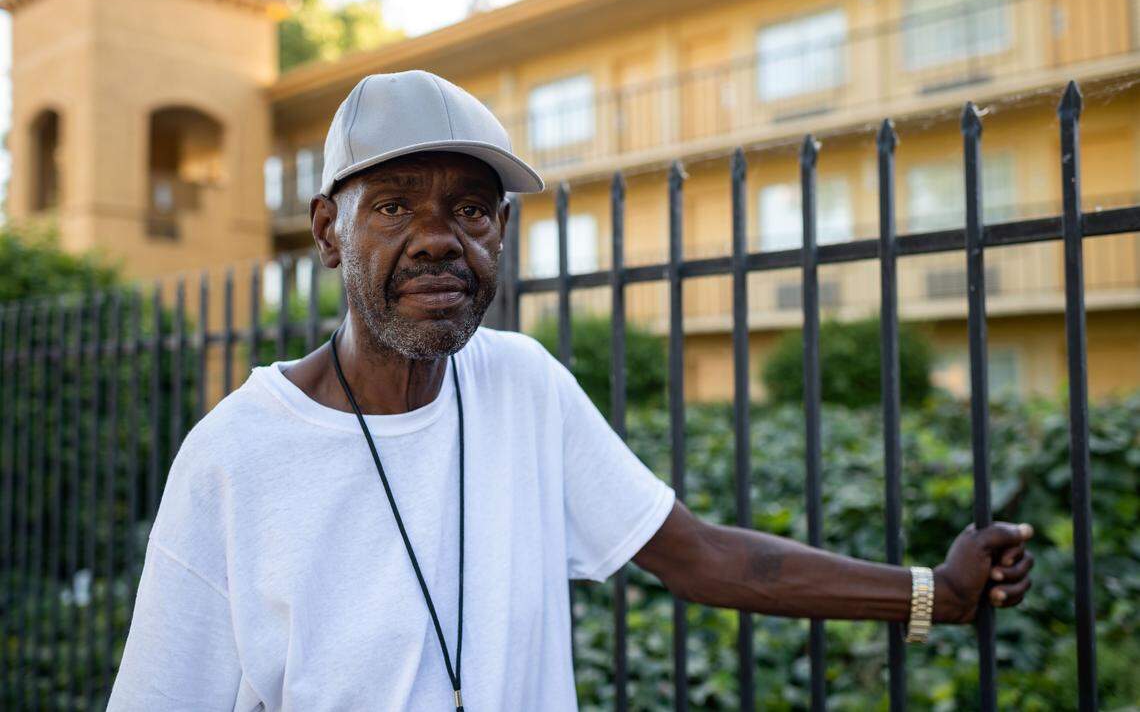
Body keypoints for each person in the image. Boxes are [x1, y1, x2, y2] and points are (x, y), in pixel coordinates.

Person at [107, 70, 1034, 711]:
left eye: (471, 209)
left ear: (501, 234)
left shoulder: (524, 386)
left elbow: (701, 557)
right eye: (393, 205)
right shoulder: (236, 455)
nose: (439, 238)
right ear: (327, 230)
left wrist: (935, 594)